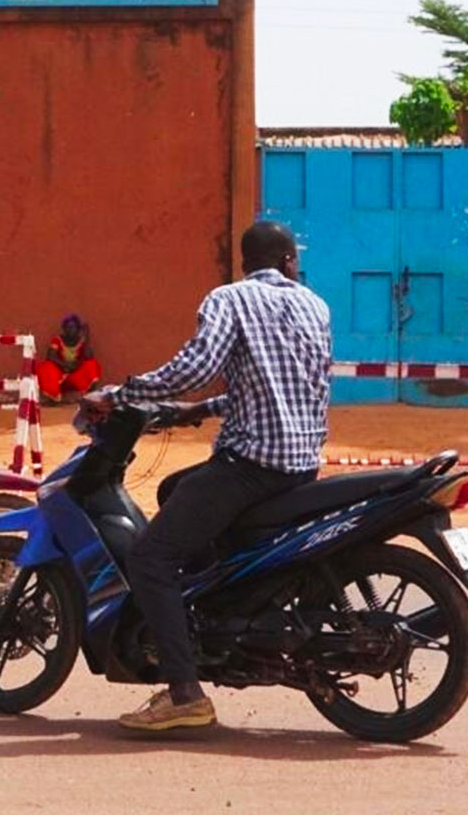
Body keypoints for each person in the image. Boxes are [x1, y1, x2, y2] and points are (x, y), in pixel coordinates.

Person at [81, 221, 331, 732]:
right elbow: (291, 387)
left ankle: (185, 693)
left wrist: (123, 394)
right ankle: (210, 611)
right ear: (287, 262)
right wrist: (193, 411)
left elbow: (192, 368)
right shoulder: (315, 306)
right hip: (300, 465)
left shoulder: (230, 299)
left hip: (252, 467)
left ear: (245, 264)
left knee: (151, 558)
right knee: (176, 488)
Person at [37, 313, 102, 404]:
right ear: (64, 329)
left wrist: (87, 337)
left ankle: (89, 396)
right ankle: (54, 396)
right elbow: (50, 356)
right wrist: (65, 365)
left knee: (93, 365)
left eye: (73, 327)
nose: (70, 330)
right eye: (68, 327)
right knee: (45, 367)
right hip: (59, 376)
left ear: (78, 329)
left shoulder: (82, 342)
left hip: (75, 377)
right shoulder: (57, 340)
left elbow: (89, 357)